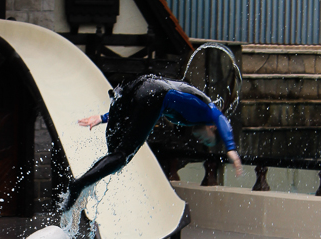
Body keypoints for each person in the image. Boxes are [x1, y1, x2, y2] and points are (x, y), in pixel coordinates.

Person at [63, 74, 243, 210]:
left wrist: (103, 118)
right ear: (212, 128)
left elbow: (141, 107)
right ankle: (78, 185)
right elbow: (221, 118)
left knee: (114, 152)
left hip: (136, 85)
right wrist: (231, 148)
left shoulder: (191, 109)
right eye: (206, 138)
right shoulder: (208, 111)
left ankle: (81, 185)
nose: (200, 139)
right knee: (121, 156)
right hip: (152, 93)